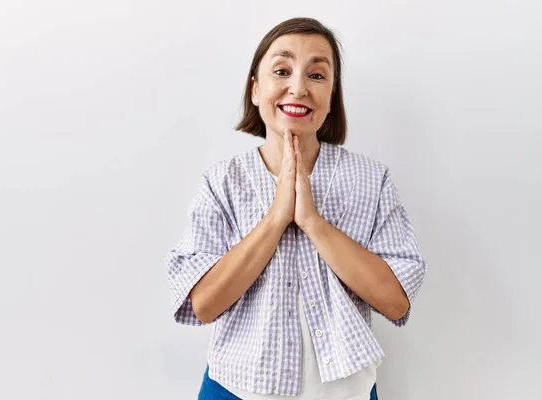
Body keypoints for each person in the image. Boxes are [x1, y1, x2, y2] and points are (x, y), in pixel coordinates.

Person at [165, 17, 427, 400]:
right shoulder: (220, 183)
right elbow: (203, 305)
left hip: (347, 391)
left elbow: (396, 300)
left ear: (332, 95)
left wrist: (312, 221)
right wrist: (275, 219)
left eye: (317, 75)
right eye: (282, 70)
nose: (299, 87)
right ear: (255, 90)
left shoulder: (372, 180)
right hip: (235, 388)